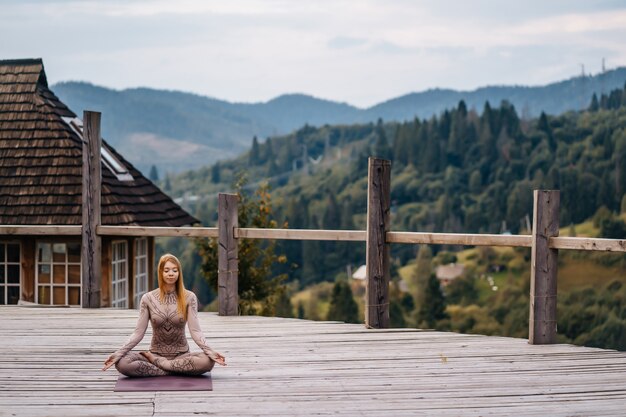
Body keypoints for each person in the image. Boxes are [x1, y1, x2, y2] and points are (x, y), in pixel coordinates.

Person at [102, 253, 226, 377]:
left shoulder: (189, 297)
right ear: (161, 272)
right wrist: (118, 353)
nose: (171, 273)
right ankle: (175, 369)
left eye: (174, 270)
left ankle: (161, 366)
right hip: (155, 353)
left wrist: (210, 351)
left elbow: (195, 331)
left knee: (207, 361)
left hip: (181, 355)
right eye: (166, 270)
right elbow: (138, 333)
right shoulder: (148, 298)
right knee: (122, 363)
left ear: (179, 273)